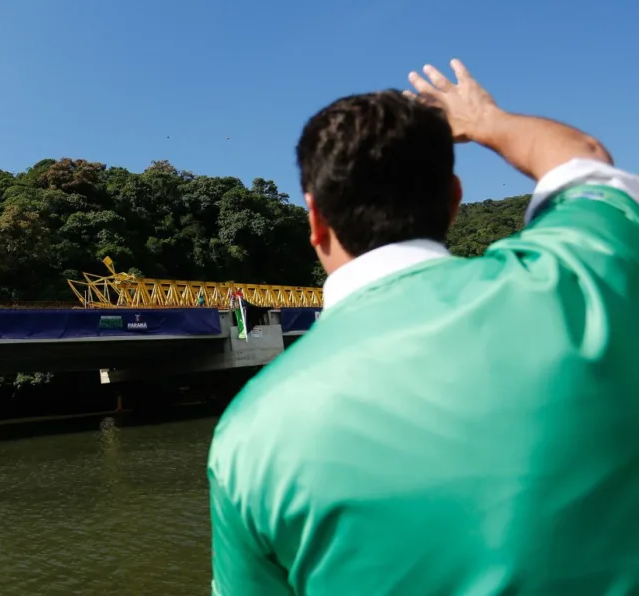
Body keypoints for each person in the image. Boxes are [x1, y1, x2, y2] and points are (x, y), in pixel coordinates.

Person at [208, 59, 639, 595]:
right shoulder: (575, 275)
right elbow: (585, 159)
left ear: (315, 220)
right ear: (455, 199)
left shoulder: (247, 436)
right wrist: (484, 119)